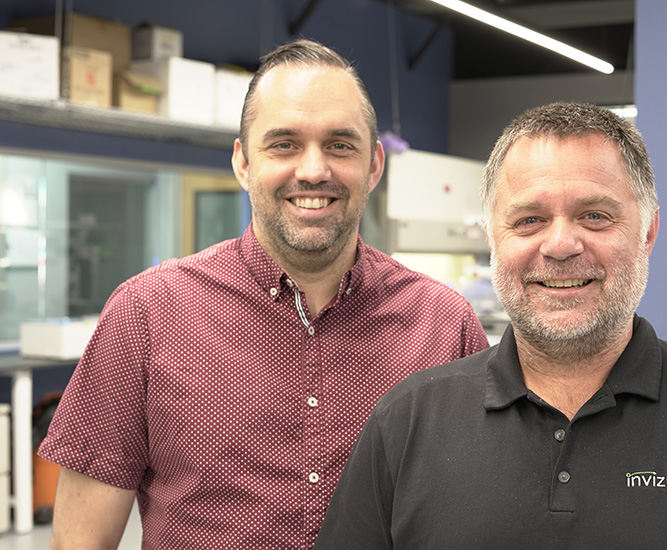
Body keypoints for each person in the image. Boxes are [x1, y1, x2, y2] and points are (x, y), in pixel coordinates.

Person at [38, 39, 489, 549]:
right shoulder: (146, 313)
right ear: (244, 163)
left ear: (375, 166)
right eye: (284, 144)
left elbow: (475, 514)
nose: (314, 170)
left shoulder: (444, 324)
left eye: (341, 144)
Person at [314, 102, 667, 549]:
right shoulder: (405, 423)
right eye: (529, 220)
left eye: (595, 216)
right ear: (494, 238)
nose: (560, 245)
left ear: (647, 231)